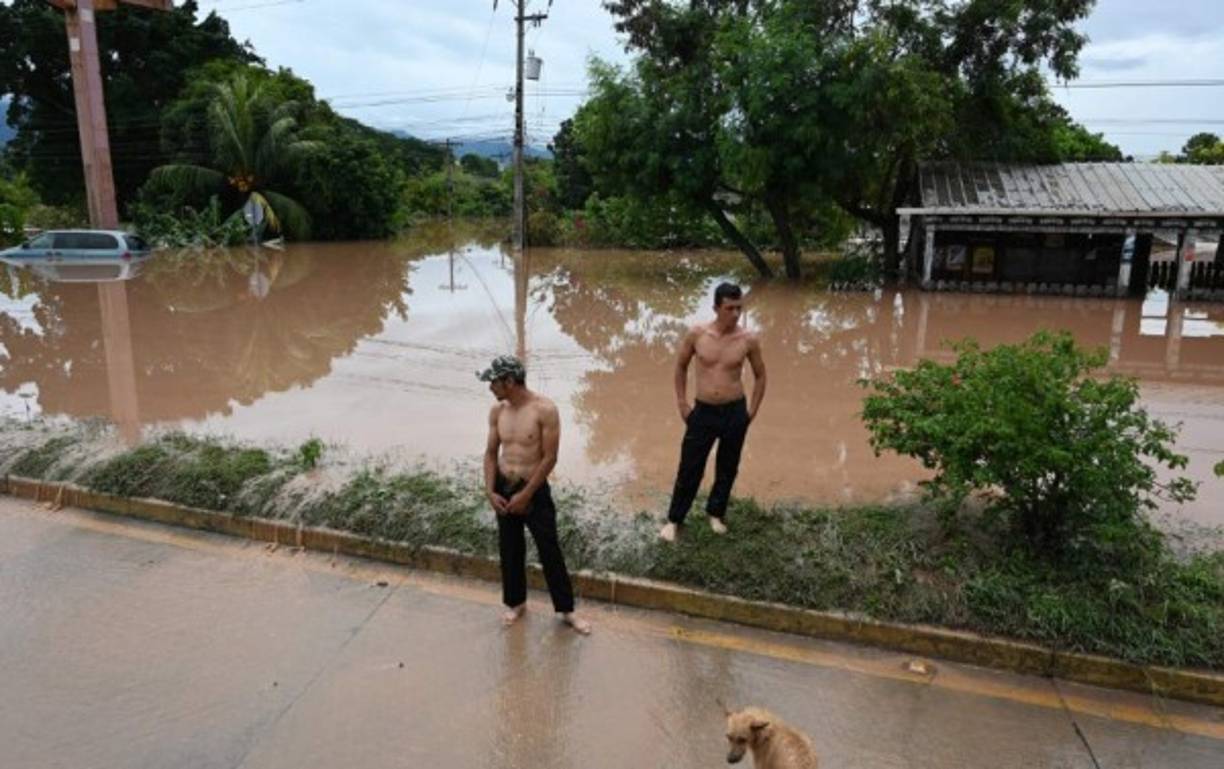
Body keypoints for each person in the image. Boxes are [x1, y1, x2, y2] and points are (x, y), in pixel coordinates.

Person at [479, 355, 591, 634]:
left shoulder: (545, 410)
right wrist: (490, 491)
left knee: (549, 548)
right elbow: (491, 453)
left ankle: (566, 610)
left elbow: (550, 458)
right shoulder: (497, 412)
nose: (490, 387)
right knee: (510, 547)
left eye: (494, 381)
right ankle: (515, 603)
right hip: (504, 486)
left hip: (533, 488)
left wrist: (527, 494)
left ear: (509, 381)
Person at [660, 282, 767, 542]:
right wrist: (682, 403)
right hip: (703, 411)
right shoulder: (697, 334)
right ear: (716, 307)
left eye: (738, 308)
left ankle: (715, 513)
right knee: (689, 467)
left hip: (735, 411)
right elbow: (680, 367)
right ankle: (674, 520)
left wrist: (751, 411)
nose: (735, 314)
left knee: (727, 466)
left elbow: (761, 375)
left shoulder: (748, 339)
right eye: (729, 308)